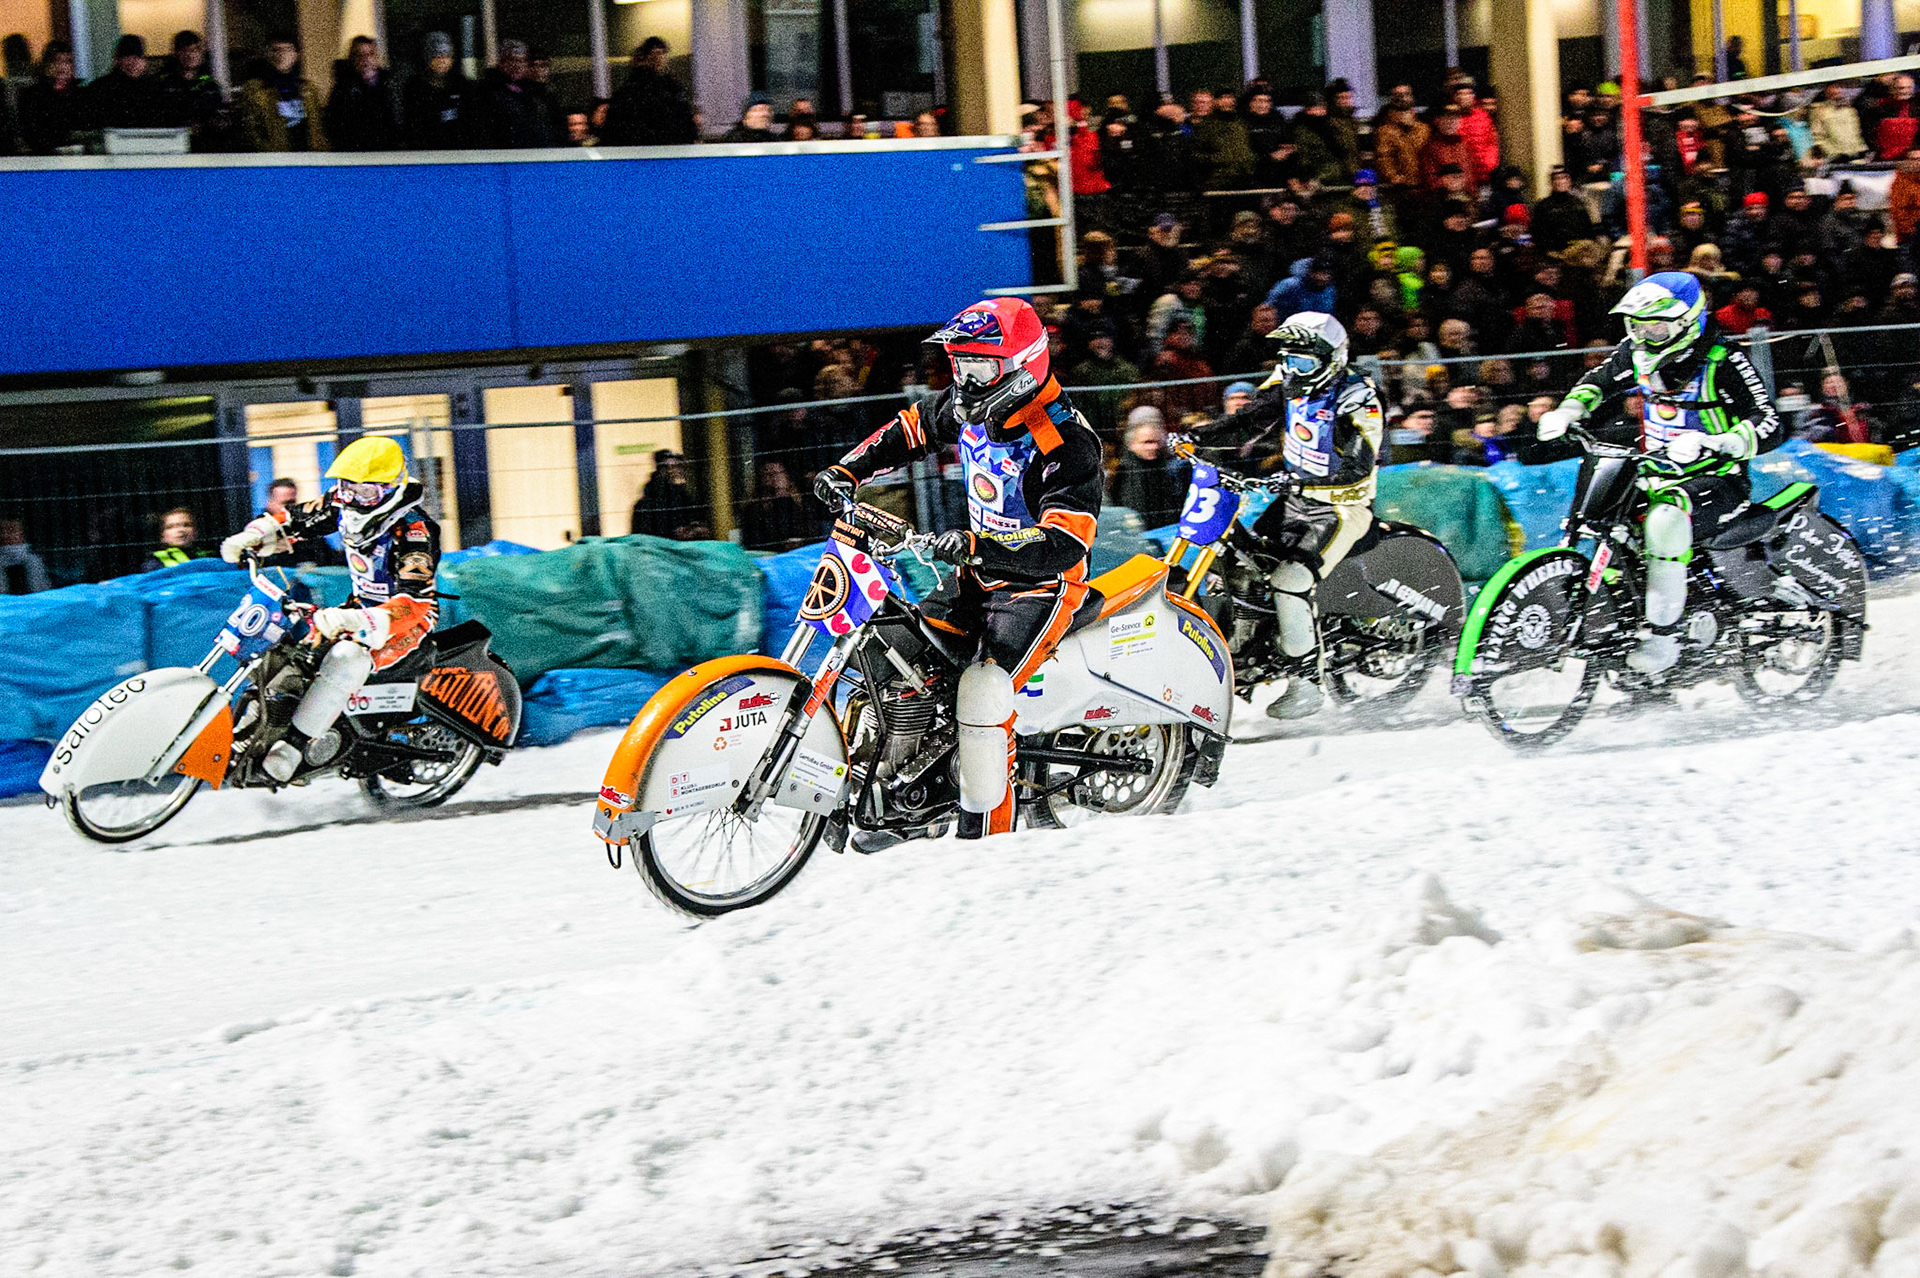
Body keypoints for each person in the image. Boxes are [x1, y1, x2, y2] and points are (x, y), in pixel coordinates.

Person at [812, 298, 1102, 842]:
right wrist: (846, 470)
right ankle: (901, 799)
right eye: (958, 366)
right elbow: (912, 427)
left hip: (1041, 588)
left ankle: (988, 834)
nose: (964, 382)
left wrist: (977, 543)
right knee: (891, 654)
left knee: (982, 689)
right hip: (976, 573)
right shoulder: (972, 405)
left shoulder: (1065, 440)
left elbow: (1063, 542)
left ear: (1023, 364)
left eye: (979, 367)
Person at [1536, 271, 1780, 675]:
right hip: (1657, 470)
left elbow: (1769, 421)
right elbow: (1599, 381)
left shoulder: (1725, 359)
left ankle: (1664, 641)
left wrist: (1720, 442)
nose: (1646, 334)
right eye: (1637, 324)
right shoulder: (1636, 350)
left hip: (1719, 480)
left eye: (1656, 324)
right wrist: (1569, 409)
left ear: (1687, 320)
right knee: (1606, 509)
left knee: (1666, 518)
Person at [1191, 312, 1385, 719]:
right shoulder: (1290, 380)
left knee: (1289, 580)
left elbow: (1359, 465)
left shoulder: (1359, 396)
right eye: (1286, 359)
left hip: (1340, 507)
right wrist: (1199, 436)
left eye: (1302, 362)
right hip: (1294, 499)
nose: (1292, 370)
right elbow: (1250, 420)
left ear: (1331, 359)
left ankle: (1306, 683)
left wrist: (1298, 482)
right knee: (1236, 561)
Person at [220, 437, 440, 783]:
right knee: (291, 645)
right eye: (346, 486)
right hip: (359, 606)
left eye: (364, 492)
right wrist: (253, 534)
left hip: (403, 623)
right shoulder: (342, 504)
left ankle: (291, 751)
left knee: (346, 659)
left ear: (390, 490)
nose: (352, 498)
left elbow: (415, 602)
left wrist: (356, 619)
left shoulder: (415, 532)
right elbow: (295, 517)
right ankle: (260, 723)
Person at [238, 33, 327, 152]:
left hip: (308, 156)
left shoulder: (308, 89)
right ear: (268, 54)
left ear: (296, 55)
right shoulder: (255, 90)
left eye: (287, 50)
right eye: (276, 50)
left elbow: (317, 128)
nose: (281, 55)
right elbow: (251, 131)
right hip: (276, 158)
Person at [600, 37, 696, 146]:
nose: (659, 59)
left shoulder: (629, 89)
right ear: (646, 57)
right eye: (655, 54)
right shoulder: (668, 87)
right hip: (665, 147)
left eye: (661, 54)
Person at [1109, 406, 1189, 529]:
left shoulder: (1170, 470)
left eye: (1156, 442)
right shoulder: (1121, 473)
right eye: (1147, 443)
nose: (1152, 448)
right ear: (1131, 443)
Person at [325, 34, 400, 151]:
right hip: (354, 155)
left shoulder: (390, 84)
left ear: (376, 57)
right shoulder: (342, 88)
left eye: (370, 54)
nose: (365, 59)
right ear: (352, 58)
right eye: (359, 55)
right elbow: (334, 125)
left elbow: (397, 119)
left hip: (387, 153)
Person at [477, 39, 555, 148]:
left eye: (522, 61)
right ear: (502, 62)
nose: (517, 65)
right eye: (512, 60)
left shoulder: (533, 94)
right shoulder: (489, 93)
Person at [404, 32, 475, 149]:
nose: (442, 61)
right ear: (427, 58)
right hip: (429, 152)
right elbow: (414, 127)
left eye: (446, 56)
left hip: (460, 151)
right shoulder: (415, 87)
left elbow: (471, 122)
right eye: (437, 56)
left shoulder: (461, 84)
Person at [18, 40, 83, 154]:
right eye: (56, 61)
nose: (62, 67)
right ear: (46, 65)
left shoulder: (82, 94)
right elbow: (32, 133)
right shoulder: (32, 96)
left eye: (67, 62)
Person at [85, 34, 161, 130]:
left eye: (138, 58)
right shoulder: (101, 88)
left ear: (144, 61)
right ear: (117, 60)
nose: (133, 63)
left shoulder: (156, 87)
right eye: (127, 57)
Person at [630, 450, 710, 539]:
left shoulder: (686, 498)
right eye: (671, 467)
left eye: (678, 467)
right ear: (662, 470)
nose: (676, 471)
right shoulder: (647, 504)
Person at [738, 459, 813, 551]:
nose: (773, 478)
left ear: (787, 476)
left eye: (778, 473)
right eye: (768, 474)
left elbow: (808, 532)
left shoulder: (800, 503)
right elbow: (754, 540)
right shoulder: (753, 508)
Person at [141, 506, 208, 571]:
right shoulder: (153, 564)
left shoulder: (208, 556)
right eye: (171, 527)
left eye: (186, 525)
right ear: (162, 536)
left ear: (196, 531)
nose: (180, 530)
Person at [0, 516, 51, 594]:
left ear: (22, 534)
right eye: (2, 531)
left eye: (12, 530)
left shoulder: (35, 562)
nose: (6, 535)